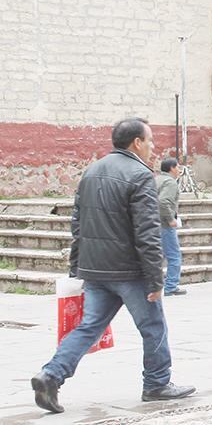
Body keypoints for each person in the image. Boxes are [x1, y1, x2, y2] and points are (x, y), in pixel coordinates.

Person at [31, 118, 195, 414]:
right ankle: (157, 383)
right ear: (137, 143)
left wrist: (76, 266)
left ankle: (51, 375)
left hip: (95, 269)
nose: (153, 147)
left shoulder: (92, 171)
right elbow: (147, 231)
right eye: (150, 141)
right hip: (129, 271)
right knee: (153, 326)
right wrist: (156, 279)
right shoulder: (140, 175)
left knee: (89, 327)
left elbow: (77, 224)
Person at [156, 158, 186, 296]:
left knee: (157, 256)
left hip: (152, 223)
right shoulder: (170, 183)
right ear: (172, 168)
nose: (179, 170)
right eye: (178, 167)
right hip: (164, 224)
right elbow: (163, 202)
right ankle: (171, 285)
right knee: (174, 255)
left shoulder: (156, 180)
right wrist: (170, 219)